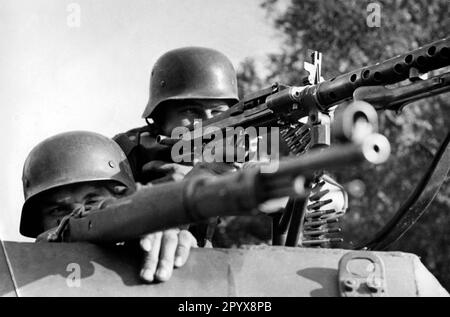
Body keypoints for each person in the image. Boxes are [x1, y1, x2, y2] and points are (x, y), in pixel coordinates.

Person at [20, 131, 197, 283]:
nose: (79, 214)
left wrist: (170, 248)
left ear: (122, 199)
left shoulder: (145, 248)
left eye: (92, 201)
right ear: (39, 224)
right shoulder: (20, 276)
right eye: (58, 210)